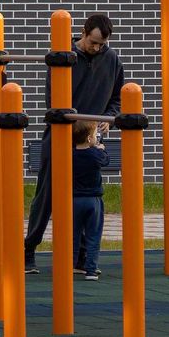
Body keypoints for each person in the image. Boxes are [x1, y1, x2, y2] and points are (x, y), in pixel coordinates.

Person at [24, 13, 125, 274]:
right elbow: (53, 99)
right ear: (83, 32)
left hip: (90, 137)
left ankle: (81, 257)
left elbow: (117, 96)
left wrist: (110, 116)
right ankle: (29, 249)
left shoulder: (112, 59)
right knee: (47, 195)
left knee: (85, 195)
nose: (97, 48)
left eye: (102, 44)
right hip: (61, 132)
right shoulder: (63, 57)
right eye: (93, 42)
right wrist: (74, 122)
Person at [70, 120, 108, 280]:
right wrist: (101, 149)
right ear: (89, 138)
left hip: (74, 200)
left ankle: (69, 266)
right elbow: (105, 160)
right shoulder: (95, 155)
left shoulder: (70, 155)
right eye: (95, 135)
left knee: (74, 235)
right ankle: (91, 270)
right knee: (93, 235)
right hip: (93, 199)